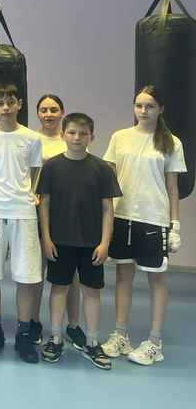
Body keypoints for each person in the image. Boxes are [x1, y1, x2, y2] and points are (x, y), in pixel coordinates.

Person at [101, 86, 186, 366]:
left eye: (149, 106)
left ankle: (155, 341)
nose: (143, 111)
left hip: (153, 218)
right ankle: (120, 334)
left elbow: (172, 187)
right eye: (139, 105)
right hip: (122, 215)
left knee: (156, 279)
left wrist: (174, 225)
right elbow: (109, 180)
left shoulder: (171, 142)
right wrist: (105, 217)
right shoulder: (120, 137)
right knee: (122, 276)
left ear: (160, 109)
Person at [37, 113, 120, 370]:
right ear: (62, 135)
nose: (77, 138)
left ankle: (92, 343)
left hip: (92, 243)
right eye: (72, 132)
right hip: (59, 241)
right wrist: (47, 238)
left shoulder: (101, 168)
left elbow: (108, 207)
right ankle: (55, 338)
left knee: (91, 291)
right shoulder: (52, 166)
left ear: (91, 137)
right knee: (59, 288)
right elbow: (44, 204)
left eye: (83, 134)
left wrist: (104, 242)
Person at [0, 83, 43, 363]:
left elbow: (34, 173)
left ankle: (23, 334)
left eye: (10, 102)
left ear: (19, 104)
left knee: (26, 275)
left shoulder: (32, 138)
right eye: (0, 102)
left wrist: (24, 196)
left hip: (23, 214)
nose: (5, 107)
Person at [30, 94, 85, 349]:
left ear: (62, 113)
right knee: (36, 270)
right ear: (37, 113)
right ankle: (33, 321)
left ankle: (73, 325)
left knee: (70, 273)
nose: (49, 114)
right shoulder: (31, 139)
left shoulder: (71, 140)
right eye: (44, 110)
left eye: (53, 110)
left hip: (66, 215)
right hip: (36, 211)